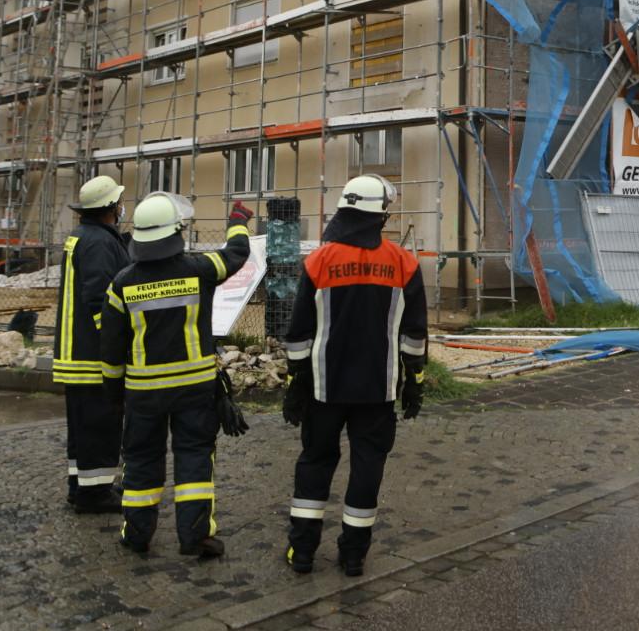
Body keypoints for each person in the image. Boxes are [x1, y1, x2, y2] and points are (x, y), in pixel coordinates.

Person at [281, 174, 427, 577]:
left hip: (324, 387)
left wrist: (295, 383)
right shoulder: (404, 263)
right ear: (380, 215)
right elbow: (414, 335)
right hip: (378, 390)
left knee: (315, 462)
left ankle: (302, 552)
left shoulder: (318, 261)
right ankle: (353, 556)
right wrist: (414, 381)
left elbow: (298, 333)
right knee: (368, 468)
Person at [100, 193, 252, 558]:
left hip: (144, 393)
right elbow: (236, 254)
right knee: (195, 456)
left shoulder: (121, 284)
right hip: (195, 389)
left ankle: (137, 534)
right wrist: (238, 221)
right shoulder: (200, 269)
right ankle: (196, 534)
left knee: (140, 460)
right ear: (175, 232)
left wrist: (114, 394)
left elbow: (111, 349)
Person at [54, 175, 131, 513]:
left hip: (76, 351)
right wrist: (114, 343)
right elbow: (101, 298)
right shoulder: (98, 242)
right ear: (110, 207)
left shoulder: (84, 236)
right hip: (91, 355)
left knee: (83, 428)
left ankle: (82, 487)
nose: (122, 207)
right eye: (119, 202)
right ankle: (95, 494)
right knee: (100, 426)